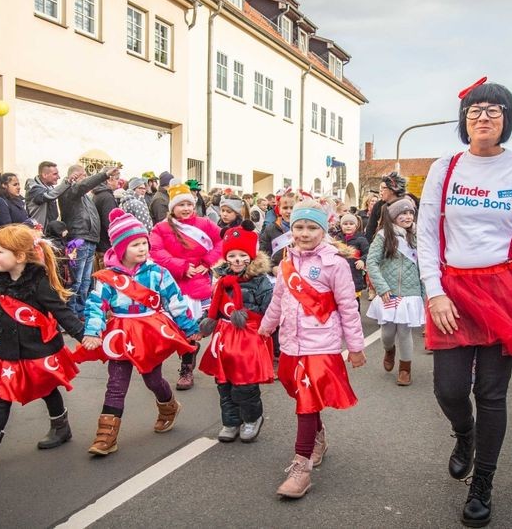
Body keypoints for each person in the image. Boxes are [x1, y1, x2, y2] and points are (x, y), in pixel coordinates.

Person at [415, 78, 512, 527]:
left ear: (507, 120)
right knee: (449, 389)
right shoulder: (445, 167)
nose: (484, 117)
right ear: (464, 120)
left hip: (508, 289)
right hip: (453, 290)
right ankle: (465, 435)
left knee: (492, 393)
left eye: (494, 111)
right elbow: (425, 236)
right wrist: (435, 291)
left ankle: (483, 483)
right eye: (475, 110)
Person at [0, 224, 84, 469]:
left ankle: (61, 426)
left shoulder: (39, 281)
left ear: (20, 256)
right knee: (1, 395)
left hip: (39, 348)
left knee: (47, 388)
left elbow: (61, 311)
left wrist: (83, 335)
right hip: (9, 349)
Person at [258, 200, 365, 499]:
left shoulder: (335, 264)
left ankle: (301, 467)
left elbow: (348, 307)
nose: (304, 233)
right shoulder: (286, 263)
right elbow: (278, 300)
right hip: (291, 343)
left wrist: (355, 346)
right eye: (299, 227)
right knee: (297, 391)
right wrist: (266, 327)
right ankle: (318, 435)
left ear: (323, 229)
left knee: (305, 402)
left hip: (322, 345)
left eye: (311, 227)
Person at [75, 209, 200, 455]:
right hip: (120, 333)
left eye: (144, 243)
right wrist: (92, 331)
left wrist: (190, 328)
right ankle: (106, 435)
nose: (142, 248)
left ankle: (168, 406)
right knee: (116, 383)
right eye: (135, 244)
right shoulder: (108, 278)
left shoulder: (158, 273)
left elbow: (175, 301)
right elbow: (96, 304)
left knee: (152, 379)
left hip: (148, 332)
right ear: (121, 248)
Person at [197, 221, 274, 443]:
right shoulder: (222, 280)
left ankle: (251, 419)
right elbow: (215, 304)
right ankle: (231, 421)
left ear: (251, 256)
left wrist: (265, 328)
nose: (237, 260)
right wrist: (204, 324)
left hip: (248, 336)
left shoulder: (260, 281)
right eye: (232, 256)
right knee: (224, 383)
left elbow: (269, 308)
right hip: (225, 336)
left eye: (242, 255)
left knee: (245, 382)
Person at [149, 182, 222, 390]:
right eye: (181, 205)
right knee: (169, 329)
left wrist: (207, 262)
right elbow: (155, 251)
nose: (186, 209)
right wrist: (181, 266)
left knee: (190, 327)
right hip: (171, 282)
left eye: (189, 204)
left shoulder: (205, 223)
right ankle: (155, 370)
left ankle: (186, 368)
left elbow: (222, 243)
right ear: (172, 208)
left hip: (198, 283)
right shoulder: (161, 228)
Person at [365, 197, 425, 386]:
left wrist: (424, 294)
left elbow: (424, 265)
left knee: (405, 331)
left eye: (410, 213)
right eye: (403, 213)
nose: (408, 217)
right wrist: (382, 288)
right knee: (388, 331)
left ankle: (405, 368)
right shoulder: (384, 236)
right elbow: (371, 262)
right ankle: (389, 349)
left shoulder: (419, 236)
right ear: (394, 216)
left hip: (411, 292)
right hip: (388, 291)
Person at [57, 163, 112, 314]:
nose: (86, 179)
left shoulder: (85, 197)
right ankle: (71, 313)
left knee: (86, 280)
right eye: (83, 176)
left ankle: (81, 311)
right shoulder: (69, 190)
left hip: (89, 239)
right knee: (76, 280)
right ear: (74, 176)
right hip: (78, 238)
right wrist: (103, 174)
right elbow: (82, 186)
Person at [338, 213, 370, 307]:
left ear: (356, 226)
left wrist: (362, 260)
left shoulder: (361, 239)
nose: (348, 226)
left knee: (354, 301)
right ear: (341, 225)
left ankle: (356, 319)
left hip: (354, 274)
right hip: (340, 274)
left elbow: (368, 253)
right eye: (345, 224)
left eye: (351, 224)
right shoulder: (337, 239)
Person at [25, 161, 69, 227]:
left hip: (48, 232)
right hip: (37, 232)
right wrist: (67, 183)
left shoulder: (50, 188)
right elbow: (48, 196)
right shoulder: (34, 190)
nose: (58, 177)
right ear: (44, 175)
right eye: (55, 174)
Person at [366, 173, 407, 242]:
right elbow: (370, 230)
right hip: (382, 243)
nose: (380, 192)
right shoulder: (378, 206)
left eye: (383, 188)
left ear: (392, 189)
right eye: (380, 189)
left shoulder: (406, 204)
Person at [259, 190, 296, 266]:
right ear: (279, 209)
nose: (289, 211)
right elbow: (263, 253)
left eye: (292, 208)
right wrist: (272, 268)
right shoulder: (270, 229)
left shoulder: (304, 230)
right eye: (285, 208)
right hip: (277, 271)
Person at [92, 167, 122, 255]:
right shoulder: (107, 197)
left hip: (101, 244)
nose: (119, 181)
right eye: (117, 179)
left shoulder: (99, 194)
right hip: (106, 247)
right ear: (109, 180)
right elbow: (109, 223)